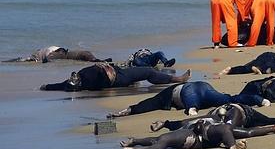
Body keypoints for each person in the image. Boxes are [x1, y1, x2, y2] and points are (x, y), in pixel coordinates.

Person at [121, 119, 275, 149]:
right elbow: (250, 132)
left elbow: (248, 132)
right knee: (161, 140)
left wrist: (272, 128)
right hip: (193, 140)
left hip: (193, 136)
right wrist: (136, 139)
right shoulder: (223, 127)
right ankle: (137, 147)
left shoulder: (221, 126)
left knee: (164, 140)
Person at [108, 81, 270, 117]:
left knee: (193, 100)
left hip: (187, 90)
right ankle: (257, 99)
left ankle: (192, 108)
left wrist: (127, 111)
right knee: (227, 98)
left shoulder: (164, 95)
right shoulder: (167, 94)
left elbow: (147, 104)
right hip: (203, 87)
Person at [41, 63, 190, 92]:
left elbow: (59, 85)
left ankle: (132, 83)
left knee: (138, 74)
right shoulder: (89, 82)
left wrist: (46, 86)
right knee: (148, 72)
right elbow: (103, 78)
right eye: (75, 81)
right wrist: (102, 68)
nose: (74, 78)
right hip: (119, 76)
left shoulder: (75, 80)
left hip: (117, 72)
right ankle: (177, 80)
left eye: (73, 78)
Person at [150, 103, 275, 132]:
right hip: (236, 110)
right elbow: (249, 132)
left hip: (227, 110)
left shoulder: (213, 124)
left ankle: (166, 123)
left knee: (192, 121)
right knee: (229, 127)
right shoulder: (215, 126)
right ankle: (166, 124)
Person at [4, 46, 111, 63]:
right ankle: (96, 60)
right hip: (62, 52)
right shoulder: (37, 54)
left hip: (58, 52)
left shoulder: (36, 54)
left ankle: (96, 60)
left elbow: (24, 59)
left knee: (84, 54)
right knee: (84, 53)